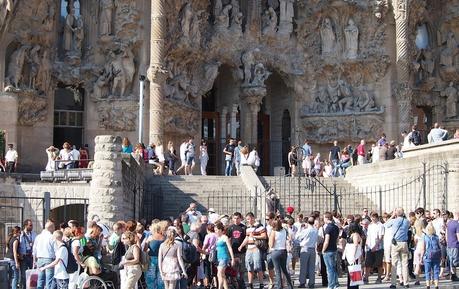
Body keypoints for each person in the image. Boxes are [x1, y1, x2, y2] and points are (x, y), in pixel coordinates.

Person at [238, 212, 266, 289]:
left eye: (249, 219)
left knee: (258, 267)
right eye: (247, 219)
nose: (248, 221)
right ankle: (250, 284)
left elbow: (264, 236)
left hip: (256, 248)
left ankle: (261, 284)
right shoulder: (248, 228)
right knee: (249, 267)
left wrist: (254, 236)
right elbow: (247, 238)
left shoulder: (260, 226)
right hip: (249, 249)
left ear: (253, 218)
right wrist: (241, 246)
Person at [385, 208, 410, 288]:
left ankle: (393, 283)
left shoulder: (394, 220)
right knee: (405, 264)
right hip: (404, 243)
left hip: (395, 243)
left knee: (394, 264)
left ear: (396, 213)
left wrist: (392, 216)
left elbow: (386, 225)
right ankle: (406, 282)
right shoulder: (406, 221)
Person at [269, 218, 294, 289]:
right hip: (283, 251)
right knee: (284, 269)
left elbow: (271, 244)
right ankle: (290, 286)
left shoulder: (273, 232)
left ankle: (279, 286)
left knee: (277, 271)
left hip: (276, 251)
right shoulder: (284, 230)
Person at [33, 221, 56, 289]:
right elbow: (55, 249)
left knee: (40, 279)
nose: (54, 228)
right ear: (51, 228)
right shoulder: (52, 237)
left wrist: (34, 260)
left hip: (39, 259)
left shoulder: (38, 237)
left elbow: (34, 250)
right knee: (49, 280)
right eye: (54, 227)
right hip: (49, 259)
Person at [297, 216, 318, 289]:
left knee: (303, 267)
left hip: (305, 248)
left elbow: (297, 237)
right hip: (312, 249)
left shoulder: (306, 230)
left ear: (307, 222)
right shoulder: (315, 230)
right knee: (312, 267)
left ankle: (302, 282)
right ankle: (311, 283)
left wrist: (301, 228)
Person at [226, 212, 246, 289]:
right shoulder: (230, 228)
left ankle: (241, 284)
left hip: (242, 252)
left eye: (237, 218)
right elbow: (227, 239)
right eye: (234, 218)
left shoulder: (244, 227)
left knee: (241, 269)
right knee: (233, 269)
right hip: (233, 252)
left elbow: (246, 239)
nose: (236, 220)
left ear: (240, 219)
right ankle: (234, 284)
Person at [364, 212, 384, 284]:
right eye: (371, 217)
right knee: (368, 263)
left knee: (379, 264)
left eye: (374, 217)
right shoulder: (370, 226)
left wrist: (376, 246)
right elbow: (368, 235)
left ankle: (379, 278)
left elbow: (381, 237)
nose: (372, 219)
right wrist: (366, 243)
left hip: (378, 248)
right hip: (370, 246)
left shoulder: (380, 225)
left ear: (376, 217)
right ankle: (366, 278)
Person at [215, 222, 236, 289]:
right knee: (222, 275)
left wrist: (232, 259)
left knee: (219, 273)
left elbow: (230, 248)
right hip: (219, 258)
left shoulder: (225, 237)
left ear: (220, 230)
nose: (215, 232)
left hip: (224, 257)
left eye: (216, 230)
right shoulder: (218, 238)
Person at [322, 212, 340, 289]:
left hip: (328, 250)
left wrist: (323, 250)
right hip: (334, 249)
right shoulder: (336, 227)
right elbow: (337, 239)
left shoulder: (328, 228)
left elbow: (326, 241)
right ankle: (335, 283)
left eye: (324, 218)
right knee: (333, 267)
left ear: (326, 218)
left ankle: (331, 285)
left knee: (329, 269)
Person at [145, 222, 166, 289]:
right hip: (162, 260)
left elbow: (145, 249)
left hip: (151, 260)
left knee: (150, 279)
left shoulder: (151, 237)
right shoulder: (164, 238)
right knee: (160, 280)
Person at [343, 222, 363, 289]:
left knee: (354, 272)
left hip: (354, 256)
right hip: (349, 255)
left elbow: (356, 245)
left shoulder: (356, 235)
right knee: (350, 271)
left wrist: (353, 255)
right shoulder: (352, 234)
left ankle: (353, 287)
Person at [421, 224, 442, 289]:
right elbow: (439, 247)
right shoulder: (437, 237)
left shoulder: (425, 237)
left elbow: (423, 248)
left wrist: (421, 257)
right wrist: (441, 256)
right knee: (436, 271)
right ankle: (436, 285)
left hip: (428, 256)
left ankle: (428, 286)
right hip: (436, 256)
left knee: (427, 271)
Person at [19, 219, 36, 289]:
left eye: (32, 225)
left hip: (31, 256)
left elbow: (36, 244)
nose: (32, 227)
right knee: (23, 275)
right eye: (30, 225)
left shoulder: (34, 234)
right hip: (24, 257)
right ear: (26, 226)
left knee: (33, 273)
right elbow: (18, 245)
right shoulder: (21, 234)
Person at [446, 211, 459, 282]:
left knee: (451, 260)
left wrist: (447, 242)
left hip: (449, 245)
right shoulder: (457, 224)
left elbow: (446, 234)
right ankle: (453, 275)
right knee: (455, 262)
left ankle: (453, 275)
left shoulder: (449, 223)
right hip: (455, 245)